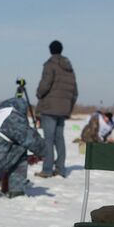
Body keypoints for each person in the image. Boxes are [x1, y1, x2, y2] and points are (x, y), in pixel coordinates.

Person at [35, 40, 78, 178]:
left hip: (50, 108)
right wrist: (68, 108)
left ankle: (47, 170)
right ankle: (60, 169)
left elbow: (45, 84)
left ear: (50, 50)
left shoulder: (50, 65)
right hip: (63, 109)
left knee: (48, 139)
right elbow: (75, 91)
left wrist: (39, 93)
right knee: (59, 138)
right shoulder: (69, 68)